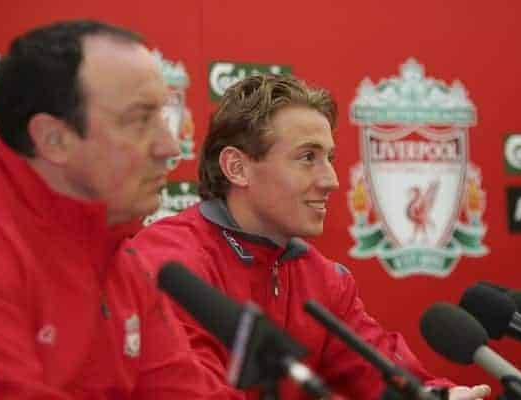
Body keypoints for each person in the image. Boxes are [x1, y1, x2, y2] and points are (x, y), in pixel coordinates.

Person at [131, 73, 491, 399]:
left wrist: (439, 396)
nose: (331, 180)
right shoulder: (170, 263)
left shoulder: (321, 277)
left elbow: (382, 374)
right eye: (307, 157)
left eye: (329, 158)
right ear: (237, 168)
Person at [0, 20, 237, 399]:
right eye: (140, 120)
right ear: (54, 140)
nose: (170, 147)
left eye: (163, 118)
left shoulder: (118, 255)